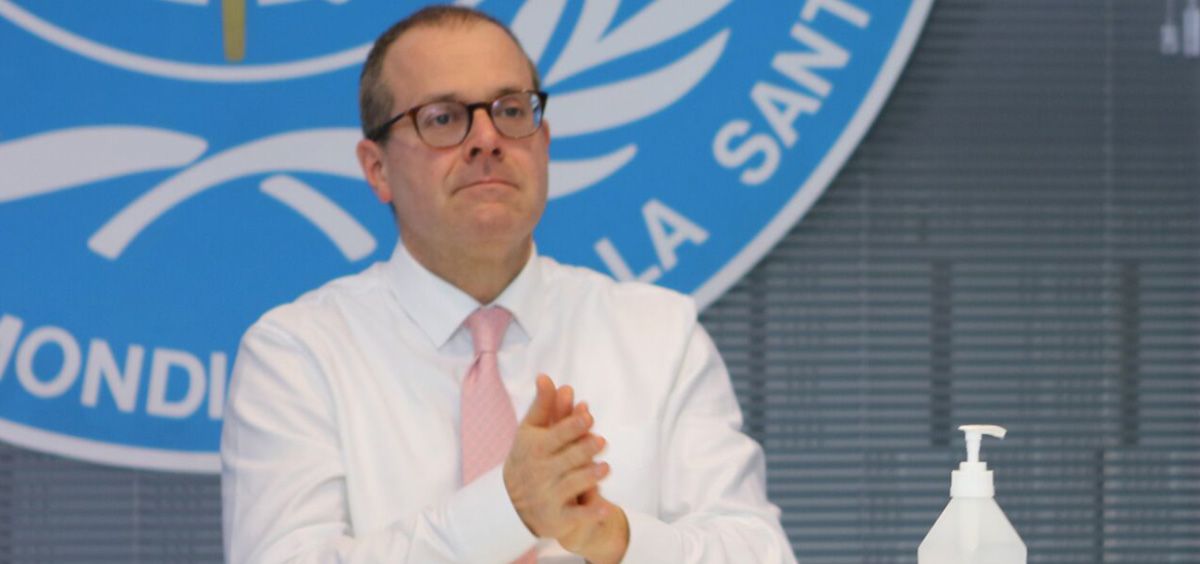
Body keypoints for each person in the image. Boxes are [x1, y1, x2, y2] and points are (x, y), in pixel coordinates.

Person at [221, 5, 795, 563]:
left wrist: (620, 540)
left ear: (543, 144)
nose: (487, 139)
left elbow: (759, 552)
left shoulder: (658, 336)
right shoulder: (298, 355)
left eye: (512, 111)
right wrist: (507, 510)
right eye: (443, 118)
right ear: (378, 169)